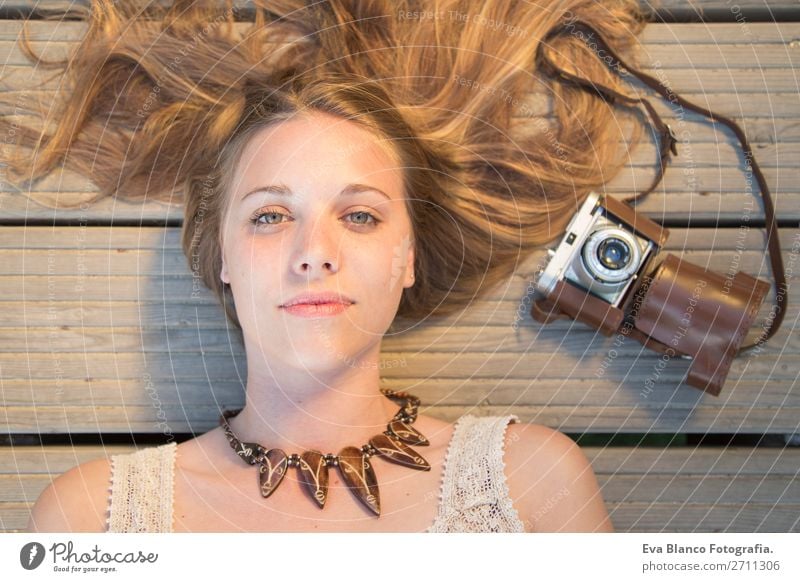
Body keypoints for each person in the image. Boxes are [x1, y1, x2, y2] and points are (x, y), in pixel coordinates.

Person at [6, 0, 646, 532]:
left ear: (409, 258)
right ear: (223, 255)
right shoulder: (90, 517)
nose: (315, 251)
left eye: (360, 215)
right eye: (270, 216)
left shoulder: (533, 483)